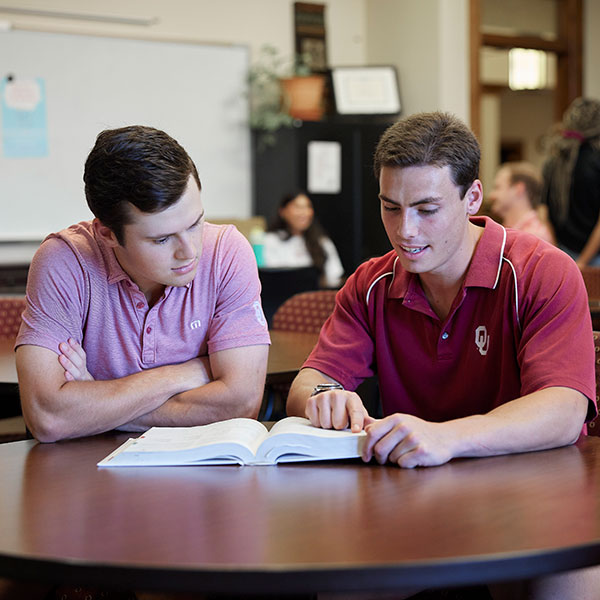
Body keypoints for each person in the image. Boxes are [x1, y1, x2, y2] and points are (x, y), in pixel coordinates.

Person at [287, 112, 598, 598]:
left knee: (570, 576)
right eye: (391, 208)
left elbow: (563, 410)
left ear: (472, 197)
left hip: (534, 487)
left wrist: (445, 438)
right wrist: (325, 395)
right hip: (411, 492)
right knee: (335, 575)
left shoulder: (543, 272)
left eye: (427, 209)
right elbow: (310, 382)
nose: (405, 230)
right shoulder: (371, 282)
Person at [16, 125, 270, 443]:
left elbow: (241, 403)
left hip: (206, 474)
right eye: (161, 239)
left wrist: (94, 405)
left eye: (195, 224)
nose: (189, 251)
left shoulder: (227, 253)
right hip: (88, 475)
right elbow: (48, 417)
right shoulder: (65, 261)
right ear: (107, 234)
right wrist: (190, 372)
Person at [542, 96, 600, 268]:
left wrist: (557, 252)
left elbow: (543, 211)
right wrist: (583, 261)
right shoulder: (597, 160)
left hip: (561, 252)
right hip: (594, 257)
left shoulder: (553, 160)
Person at [262, 191, 344, 288]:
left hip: (313, 298)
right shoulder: (269, 240)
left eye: (307, 207)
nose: (303, 212)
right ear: (282, 211)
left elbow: (334, 278)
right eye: (297, 207)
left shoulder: (322, 242)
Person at [489, 161, 555, 244]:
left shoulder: (534, 237)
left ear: (518, 189)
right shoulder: (508, 230)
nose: (491, 195)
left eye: (497, 187)